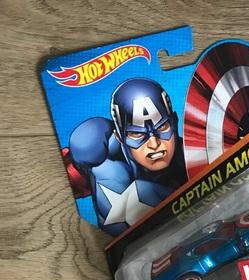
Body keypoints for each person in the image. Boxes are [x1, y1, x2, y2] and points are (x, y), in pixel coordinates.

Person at [66, 78, 187, 236]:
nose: (154, 143)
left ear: (174, 122)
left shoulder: (192, 152)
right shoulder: (110, 169)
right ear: (119, 137)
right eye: (137, 134)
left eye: (162, 126)